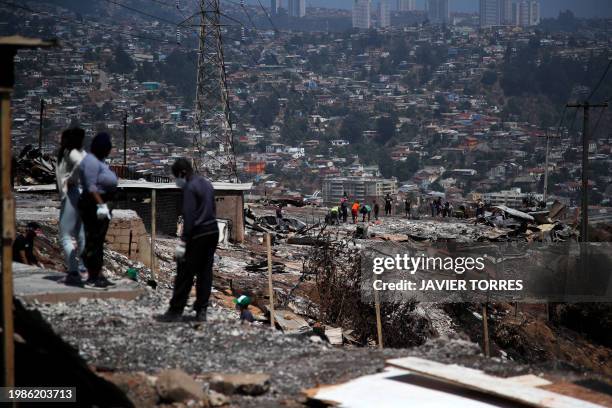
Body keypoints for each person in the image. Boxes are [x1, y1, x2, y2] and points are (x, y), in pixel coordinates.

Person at [161, 158, 219, 322]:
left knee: (185, 272)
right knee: (205, 272)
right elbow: (213, 210)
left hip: (198, 233)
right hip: (212, 231)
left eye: (176, 176)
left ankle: (175, 309)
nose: (176, 180)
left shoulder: (189, 187)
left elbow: (189, 215)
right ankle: (201, 310)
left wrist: (183, 241)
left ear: (182, 173)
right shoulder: (207, 184)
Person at [79, 132, 118, 289]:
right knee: (93, 241)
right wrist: (101, 205)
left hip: (101, 205)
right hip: (93, 206)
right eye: (108, 148)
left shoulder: (99, 161)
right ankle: (91, 276)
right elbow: (91, 187)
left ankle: (98, 274)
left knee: (98, 242)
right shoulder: (91, 162)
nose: (109, 151)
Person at [56, 127, 86, 286]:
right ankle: (82, 268)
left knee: (66, 235)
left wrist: (71, 179)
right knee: (80, 234)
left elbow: (80, 166)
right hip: (80, 194)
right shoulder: (79, 152)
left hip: (72, 194)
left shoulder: (71, 153)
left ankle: (74, 271)